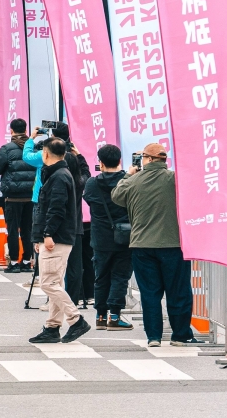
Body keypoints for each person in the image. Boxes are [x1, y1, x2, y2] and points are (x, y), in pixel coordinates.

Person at [111, 142, 200, 347]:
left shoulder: (134, 181)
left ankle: (154, 336)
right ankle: (180, 334)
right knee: (178, 291)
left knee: (150, 293)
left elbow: (116, 196)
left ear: (148, 160)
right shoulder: (175, 179)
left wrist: (128, 175)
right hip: (173, 244)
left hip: (142, 245)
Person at [28, 138, 90, 344]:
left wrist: (47, 234)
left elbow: (55, 209)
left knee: (48, 283)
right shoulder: (59, 174)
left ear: (45, 154)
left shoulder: (59, 176)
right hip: (56, 236)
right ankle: (53, 327)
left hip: (56, 237)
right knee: (54, 282)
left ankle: (75, 319)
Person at [83, 144, 133, 332]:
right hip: (125, 236)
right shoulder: (127, 181)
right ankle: (115, 315)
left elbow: (89, 200)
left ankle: (100, 316)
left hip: (100, 237)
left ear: (100, 162)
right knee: (120, 276)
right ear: (120, 161)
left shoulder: (92, 183)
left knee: (101, 276)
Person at [0, 118, 35, 272]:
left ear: (11, 131)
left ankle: (14, 262)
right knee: (27, 229)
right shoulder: (33, 148)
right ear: (26, 130)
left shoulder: (6, 149)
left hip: (12, 195)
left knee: (12, 229)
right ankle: (26, 261)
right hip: (30, 195)